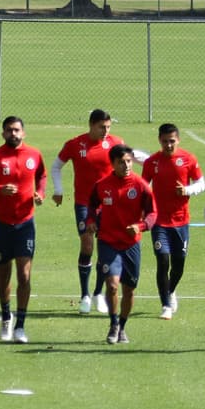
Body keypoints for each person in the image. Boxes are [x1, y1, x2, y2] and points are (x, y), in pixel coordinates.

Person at [0, 117, 45, 344]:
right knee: (3, 275)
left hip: (25, 223)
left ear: (23, 133)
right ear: (3, 134)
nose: (13, 133)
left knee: (24, 275)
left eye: (17, 130)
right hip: (2, 224)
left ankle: (21, 325)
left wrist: (40, 194)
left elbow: (41, 176)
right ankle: (6, 317)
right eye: (9, 130)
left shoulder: (34, 155)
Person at [51, 109, 126, 315]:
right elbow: (56, 166)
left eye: (109, 127)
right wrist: (58, 190)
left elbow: (132, 159)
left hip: (108, 203)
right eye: (102, 127)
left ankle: (97, 293)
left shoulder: (115, 143)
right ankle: (84, 294)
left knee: (105, 247)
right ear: (91, 125)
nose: (106, 131)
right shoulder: (76, 144)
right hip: (84, 203)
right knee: (87, 242)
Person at [86, 145, 157, 345]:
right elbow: (91, 205)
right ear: (113, 164)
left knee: (129, 290)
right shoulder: (102, 185)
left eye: (128, 161)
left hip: (131, 245)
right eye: (121, 162)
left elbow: (152, 213)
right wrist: (91, 220)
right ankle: (113, 323)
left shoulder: (141, 185)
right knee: (112, 284)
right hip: (108, 241)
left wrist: (141, 226)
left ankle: (123, 326)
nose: (126, 165)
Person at [140, 123, 205, 319]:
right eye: (165, 141)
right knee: (163, 260)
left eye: (172, 141)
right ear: (159, 140)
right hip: (159, 221)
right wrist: (143, 212)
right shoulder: (152, 162)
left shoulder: (188, 159)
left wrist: (187, 190)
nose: (169, 145)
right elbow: (144, 187)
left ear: (178, 140)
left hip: (181, 221)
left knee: (179, 264)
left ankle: (171, 289)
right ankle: (166, 305)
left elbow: (201, 183)